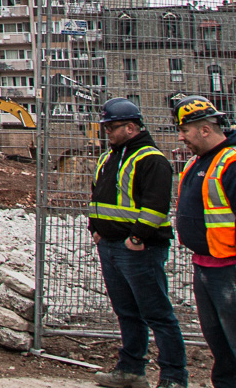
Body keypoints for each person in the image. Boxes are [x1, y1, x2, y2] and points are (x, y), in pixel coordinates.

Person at [87, 97, 186, 388]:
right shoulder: (109, 157)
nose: (106, 131)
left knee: (157, 314)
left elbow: (156, 206)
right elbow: (97, 196)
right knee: (127, 312)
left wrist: (137, 237)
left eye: (111, 127)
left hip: (139, 249)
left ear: (130, 127)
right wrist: (96, 229)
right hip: (111, 246)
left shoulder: (151, 159)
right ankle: (131, 370)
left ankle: (173, 377)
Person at [177, 94, 236, 387]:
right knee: (219, 345)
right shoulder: (197, 163)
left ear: (204, 129)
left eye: (185, 130)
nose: (181, 137)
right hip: (206, 264)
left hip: (229, 268)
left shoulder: (231, 162)